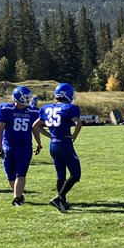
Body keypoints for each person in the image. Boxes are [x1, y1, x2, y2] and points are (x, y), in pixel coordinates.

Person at [33, 83, 82, 212]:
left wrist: (50, 136)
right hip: (65, 144)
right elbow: (78, 124)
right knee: (76, 174)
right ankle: (59, 198)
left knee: (61, 175)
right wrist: (74, 136)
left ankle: (62, 202)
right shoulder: (70, 108)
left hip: (53, 144)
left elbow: (35, 126)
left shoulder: (46, 108)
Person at [0, 85, 42, 206]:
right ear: (18, 98)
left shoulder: (32, 111)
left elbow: (35, 129)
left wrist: (39, 143)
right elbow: (0, 130)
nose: (28, 100)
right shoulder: (6, 109)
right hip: (9, 146)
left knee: (20, 174)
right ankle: (19, 195)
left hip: (25, 147)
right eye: (26, 97)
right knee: (10, 176)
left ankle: (16, 199)